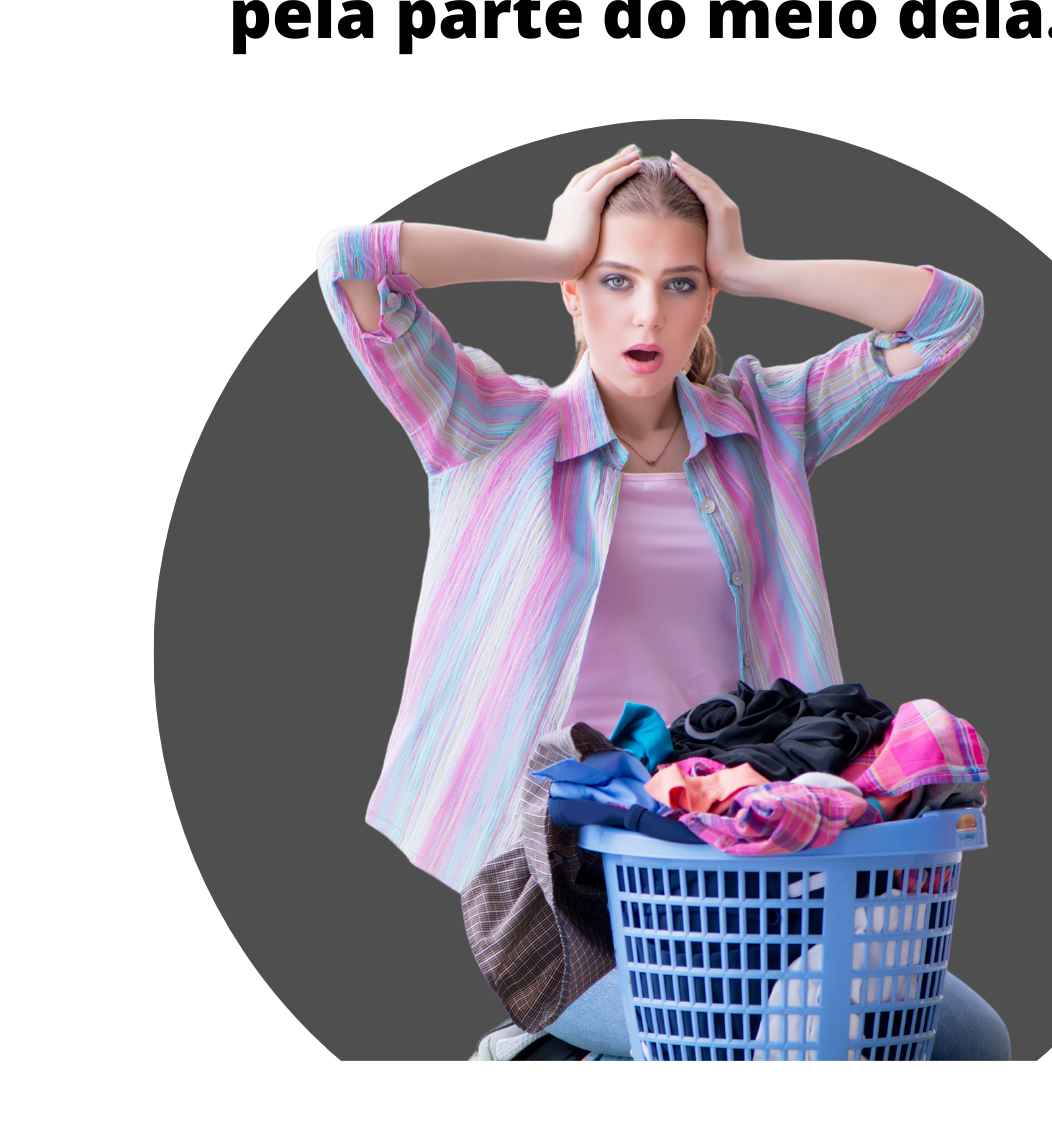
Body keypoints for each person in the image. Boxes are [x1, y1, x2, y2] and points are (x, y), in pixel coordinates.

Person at [316, 147, 1006, 1061]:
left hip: (739, 858)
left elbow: (949, 316)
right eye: (615, 279)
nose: (648, 314)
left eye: (680, 283)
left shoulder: (767, 427)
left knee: (970, 1043)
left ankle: (567, 1069)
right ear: (574, 293)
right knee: (790, 1042)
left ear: (707, 300)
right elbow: (351, 265)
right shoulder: (489, 430)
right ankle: (564, 1055)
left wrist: (752, 267)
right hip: (567, 885)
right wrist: (549, 251)